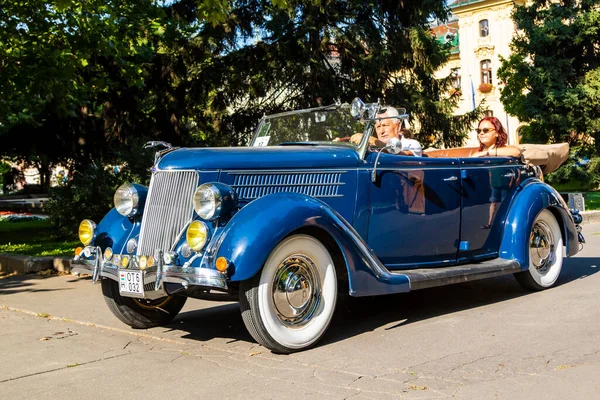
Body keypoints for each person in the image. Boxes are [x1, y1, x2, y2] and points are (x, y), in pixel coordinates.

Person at [350, 107, 423, 156]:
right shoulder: (371, 148)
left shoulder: (411, 144)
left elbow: (401, 157)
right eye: (378, 127)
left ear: (398, 126)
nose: (381, 131)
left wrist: (373, 141)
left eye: (385, 125)